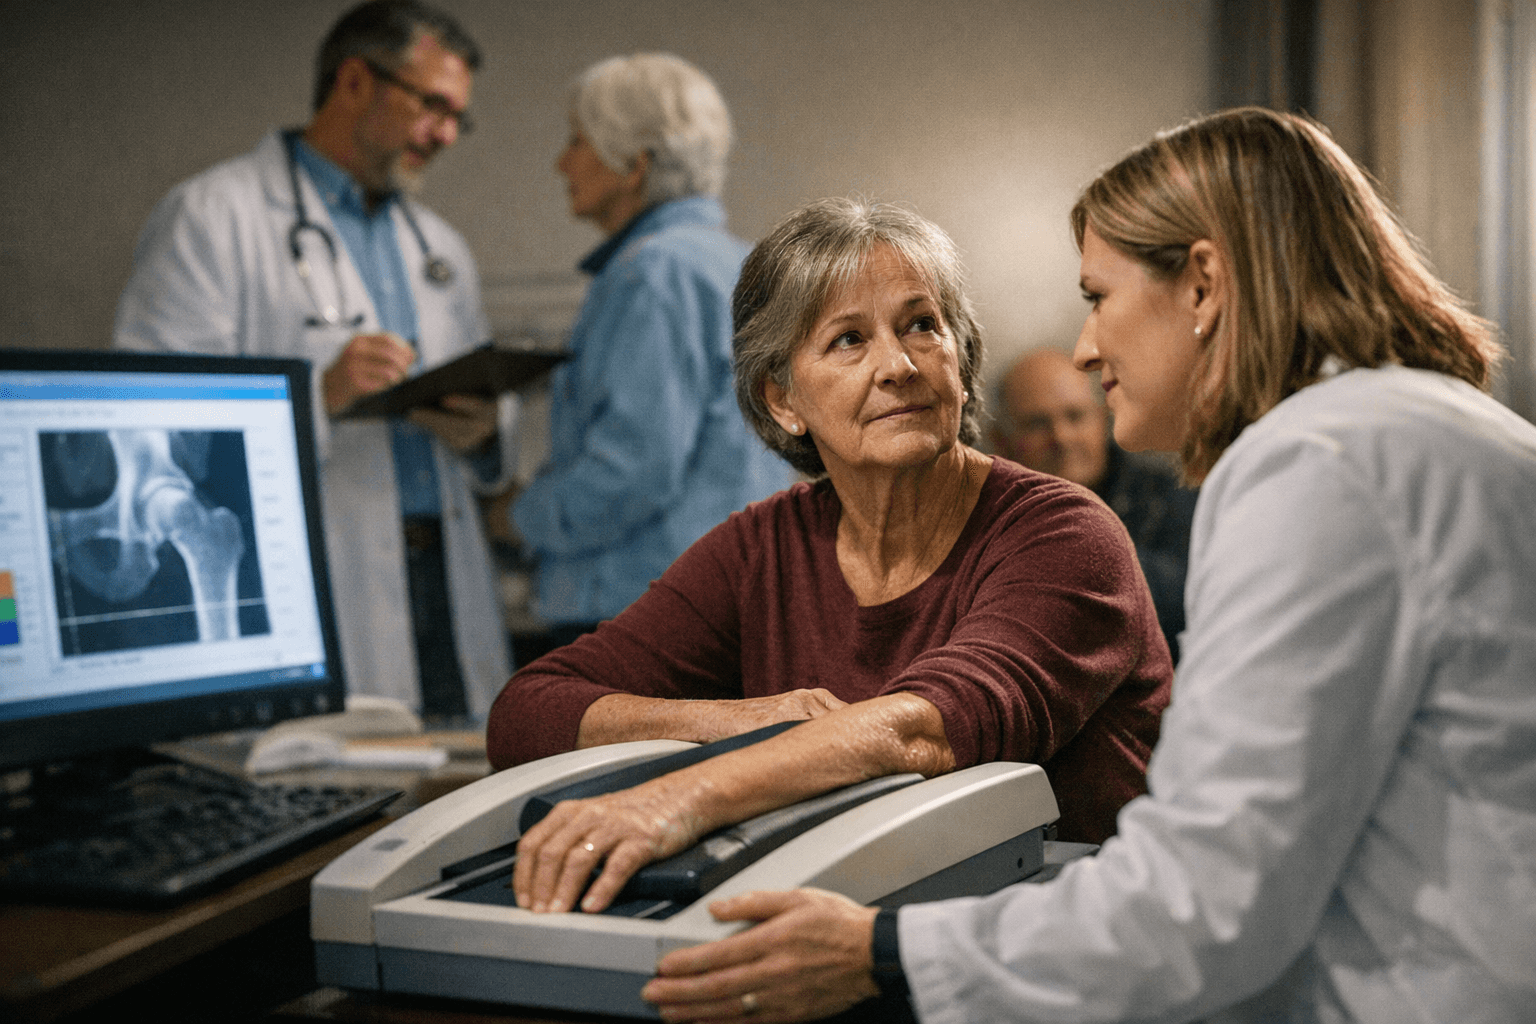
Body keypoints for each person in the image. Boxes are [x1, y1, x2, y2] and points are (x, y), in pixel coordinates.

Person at [640, 109, 1536, 1023]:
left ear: (1203, 285)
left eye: (1098, 297)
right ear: (780, 399)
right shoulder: (1416, 431)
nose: (1085, 348)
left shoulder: (1315, 465)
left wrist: (883, 950)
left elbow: (1202, 899)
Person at [488, 197, 1172, 919]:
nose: (899, 365)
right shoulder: (760, 547)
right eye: (848, 340)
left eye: (921, 326)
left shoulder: (1065, 535)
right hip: (856, 926)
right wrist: (740, 721)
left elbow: (923, 731)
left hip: (1064, 952)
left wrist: (679, 797)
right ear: (783, 399)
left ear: (961, 360)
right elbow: (526, 714)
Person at [113, 0, 510, 721]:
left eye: (458, 117)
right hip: (322, 570)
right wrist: (313, 398)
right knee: (349, 806)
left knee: (460, 799)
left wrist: (483, 431)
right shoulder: (212, 215)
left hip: (445, 574)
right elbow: (149, 426)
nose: (447, 134)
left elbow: (484, 402)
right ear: (355, 81)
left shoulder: (438, 246)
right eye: (433, 106)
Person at [508, 53, 793, 644]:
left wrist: (517, 515)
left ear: (633, 164)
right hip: (730, 609)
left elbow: (633, 471)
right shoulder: (742, 264)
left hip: (643, 625)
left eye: (577, 141)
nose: (563, 162)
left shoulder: (654, 272)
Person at [992, 347, 1197, 660]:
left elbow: (1192, 610)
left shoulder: (1175, 501)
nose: (1061, 437)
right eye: (1037, 424)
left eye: (1075, 416)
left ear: (1103, 418)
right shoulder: (980, 526)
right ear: (1000, 441)